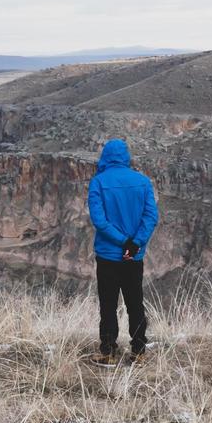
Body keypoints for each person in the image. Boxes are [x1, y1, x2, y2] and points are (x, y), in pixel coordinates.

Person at [87, 138, 159, 364]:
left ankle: (108, 352)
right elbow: (151, 217)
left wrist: (122, 241)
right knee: (135, 303)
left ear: (106, 156)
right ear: (126, 157)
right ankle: (138, 351)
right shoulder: (143, 182)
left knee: (108, 305)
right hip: (133, 257)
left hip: (108, 256)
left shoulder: (98, 182)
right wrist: (135, 243)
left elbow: (99, 221)